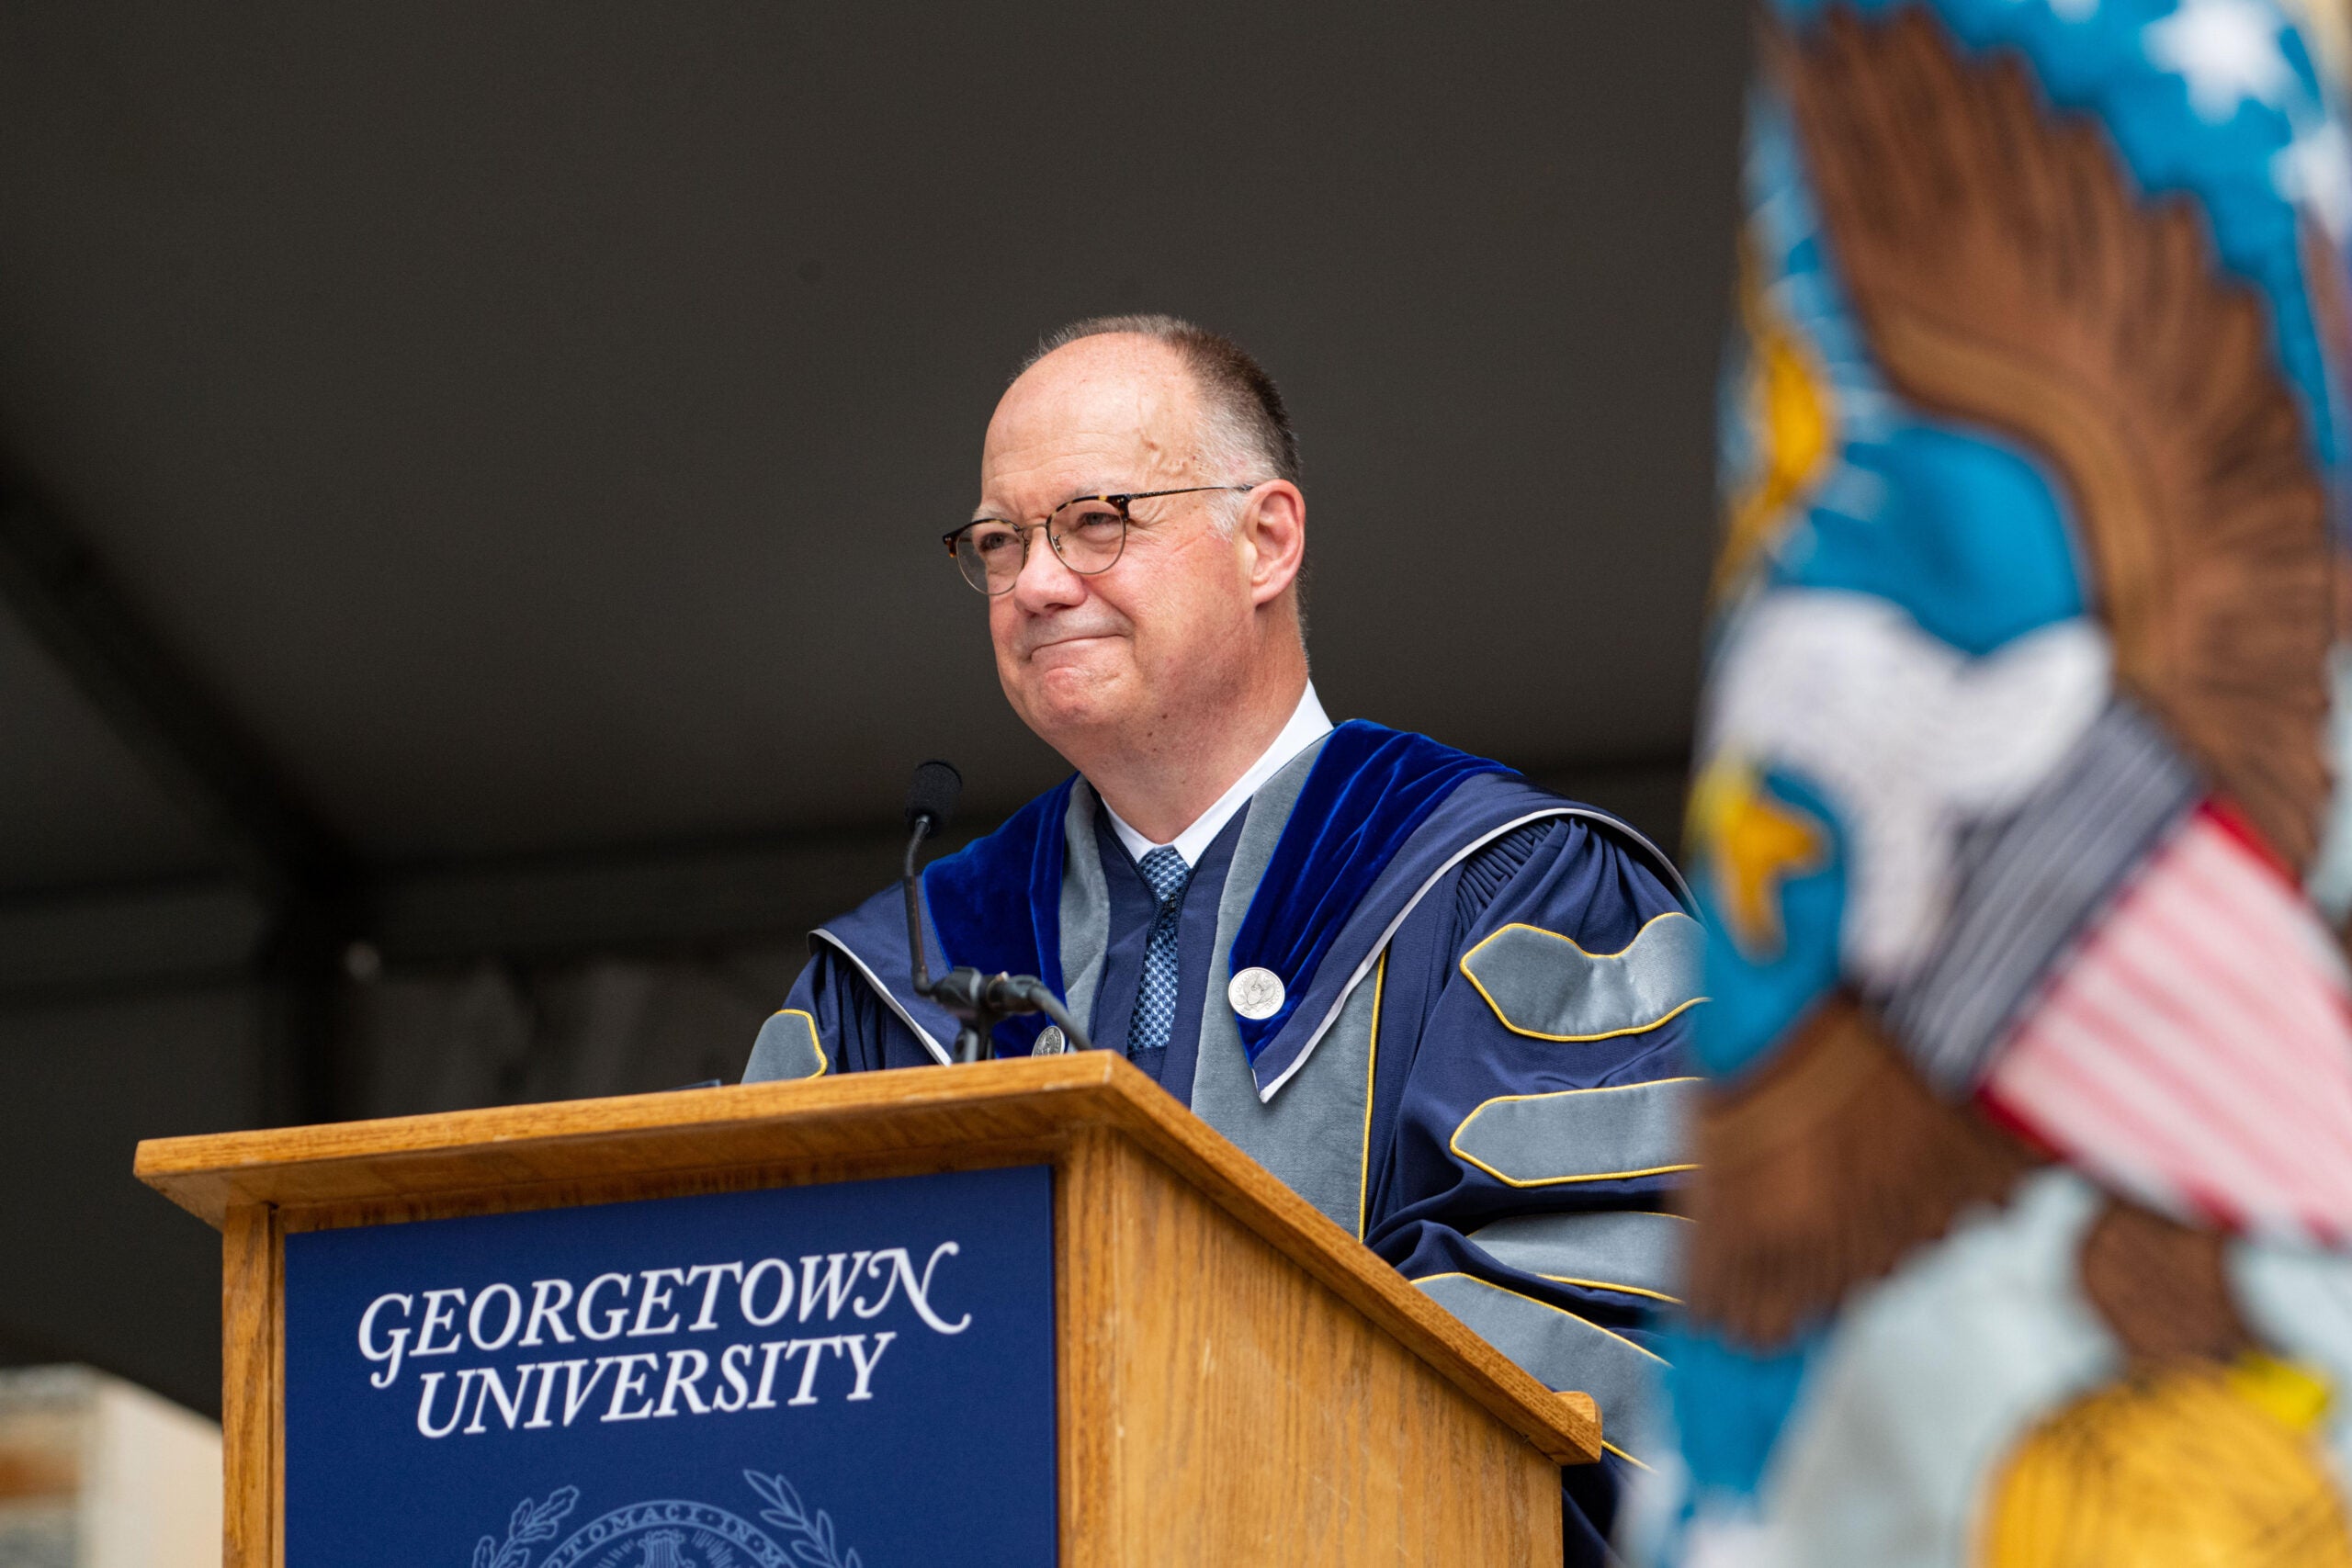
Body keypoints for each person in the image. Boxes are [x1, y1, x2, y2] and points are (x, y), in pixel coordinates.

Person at [742, 314, 1699, 1562]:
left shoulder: (1507, 892)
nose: (1036, 582)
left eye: (1099, 521)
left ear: (1268, 539)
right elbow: (764, 1384)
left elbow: (1597, 1332)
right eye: (1000, 541)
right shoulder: (894, 981)